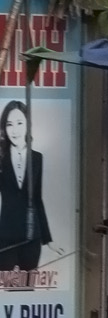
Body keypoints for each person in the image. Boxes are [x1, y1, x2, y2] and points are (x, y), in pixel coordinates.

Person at [0, 100, 50, 273]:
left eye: (20, 123)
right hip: (5, 235)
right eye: (9, 124)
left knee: (27, 288)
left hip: (32, 236)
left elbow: (37, 198)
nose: (14, 130)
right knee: (5, 290)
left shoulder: (37, 158)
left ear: (28, 124)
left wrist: (47, 238)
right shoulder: (1, 158)